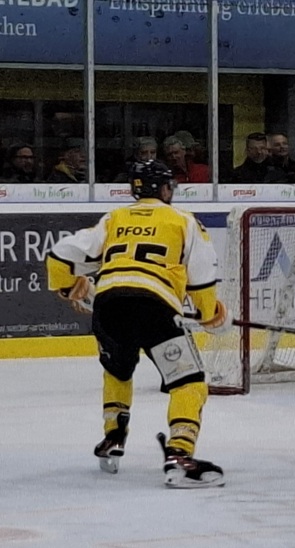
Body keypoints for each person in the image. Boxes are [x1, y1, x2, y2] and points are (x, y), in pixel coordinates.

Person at [44, 159, 228, 488]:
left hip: (109, 306)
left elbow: (59, 254)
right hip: (155, 307)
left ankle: (113, 438)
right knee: (189, 381)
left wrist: (67, 286)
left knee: (118, 370)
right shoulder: (183, 219)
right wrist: (209, 313)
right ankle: (180, 455)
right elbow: (201, 276)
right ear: (165, 189)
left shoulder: (115, 218)